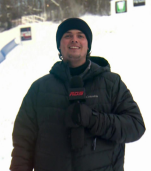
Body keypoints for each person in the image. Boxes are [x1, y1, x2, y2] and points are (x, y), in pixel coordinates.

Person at [10, 18, 145, 171]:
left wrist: (94, 120)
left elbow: (136, 126)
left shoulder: (111, 83)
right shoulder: (39, 89)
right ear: (59, 45)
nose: (74, 39)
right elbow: (23, 144)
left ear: (88, 45)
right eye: (67, 35)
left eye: (80, 36)